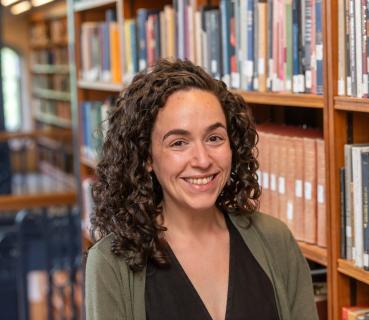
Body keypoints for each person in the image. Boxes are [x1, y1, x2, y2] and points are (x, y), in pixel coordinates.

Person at [85, 59, 318, 320]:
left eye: (214, 138)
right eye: (179, 143)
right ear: (147, 157)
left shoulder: (276, 241)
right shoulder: (110, 264)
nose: (203, 160)